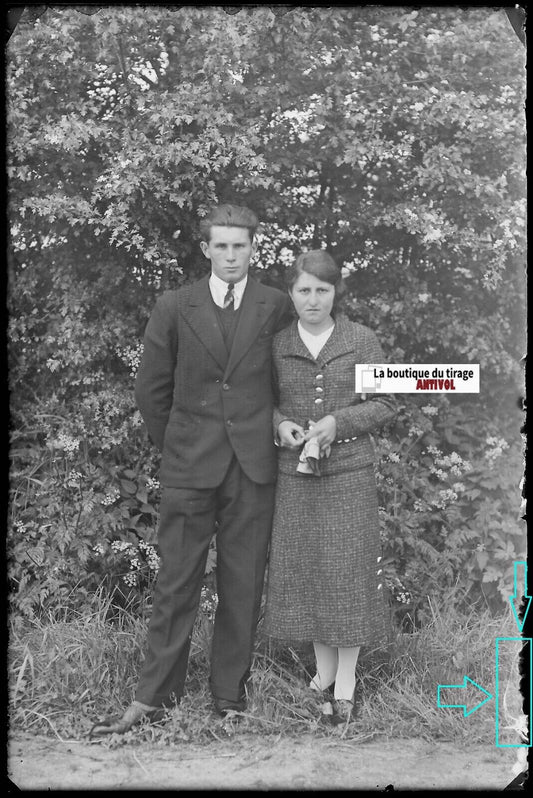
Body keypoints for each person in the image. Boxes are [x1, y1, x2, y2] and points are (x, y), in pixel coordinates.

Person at [90, 204, 291, 736]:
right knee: (176, 583)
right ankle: (155, 697)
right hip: (188, 466)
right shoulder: (176, 305)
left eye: (240, 246)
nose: (231, 255)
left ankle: (229, 697)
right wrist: (178, 446)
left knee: (242, 585)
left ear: (253, 248)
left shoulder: (274, 305)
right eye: (221, 246)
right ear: (206, 249)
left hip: (252, 470)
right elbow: (151, 388)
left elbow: (288, 380)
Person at [263, 249, 396, 725]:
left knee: (347, 576)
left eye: (322, 290)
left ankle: (347, 682)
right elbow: (266, 404)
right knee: (314, 575)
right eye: (304, 290)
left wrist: (339, 421)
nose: (313, 300)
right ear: (292, 294)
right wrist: (281, 426)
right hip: (297, 479)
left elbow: (384, 404)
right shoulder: (278, 344)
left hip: (348, 477)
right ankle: (322, 675)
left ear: (335, 292)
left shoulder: (361, 341)